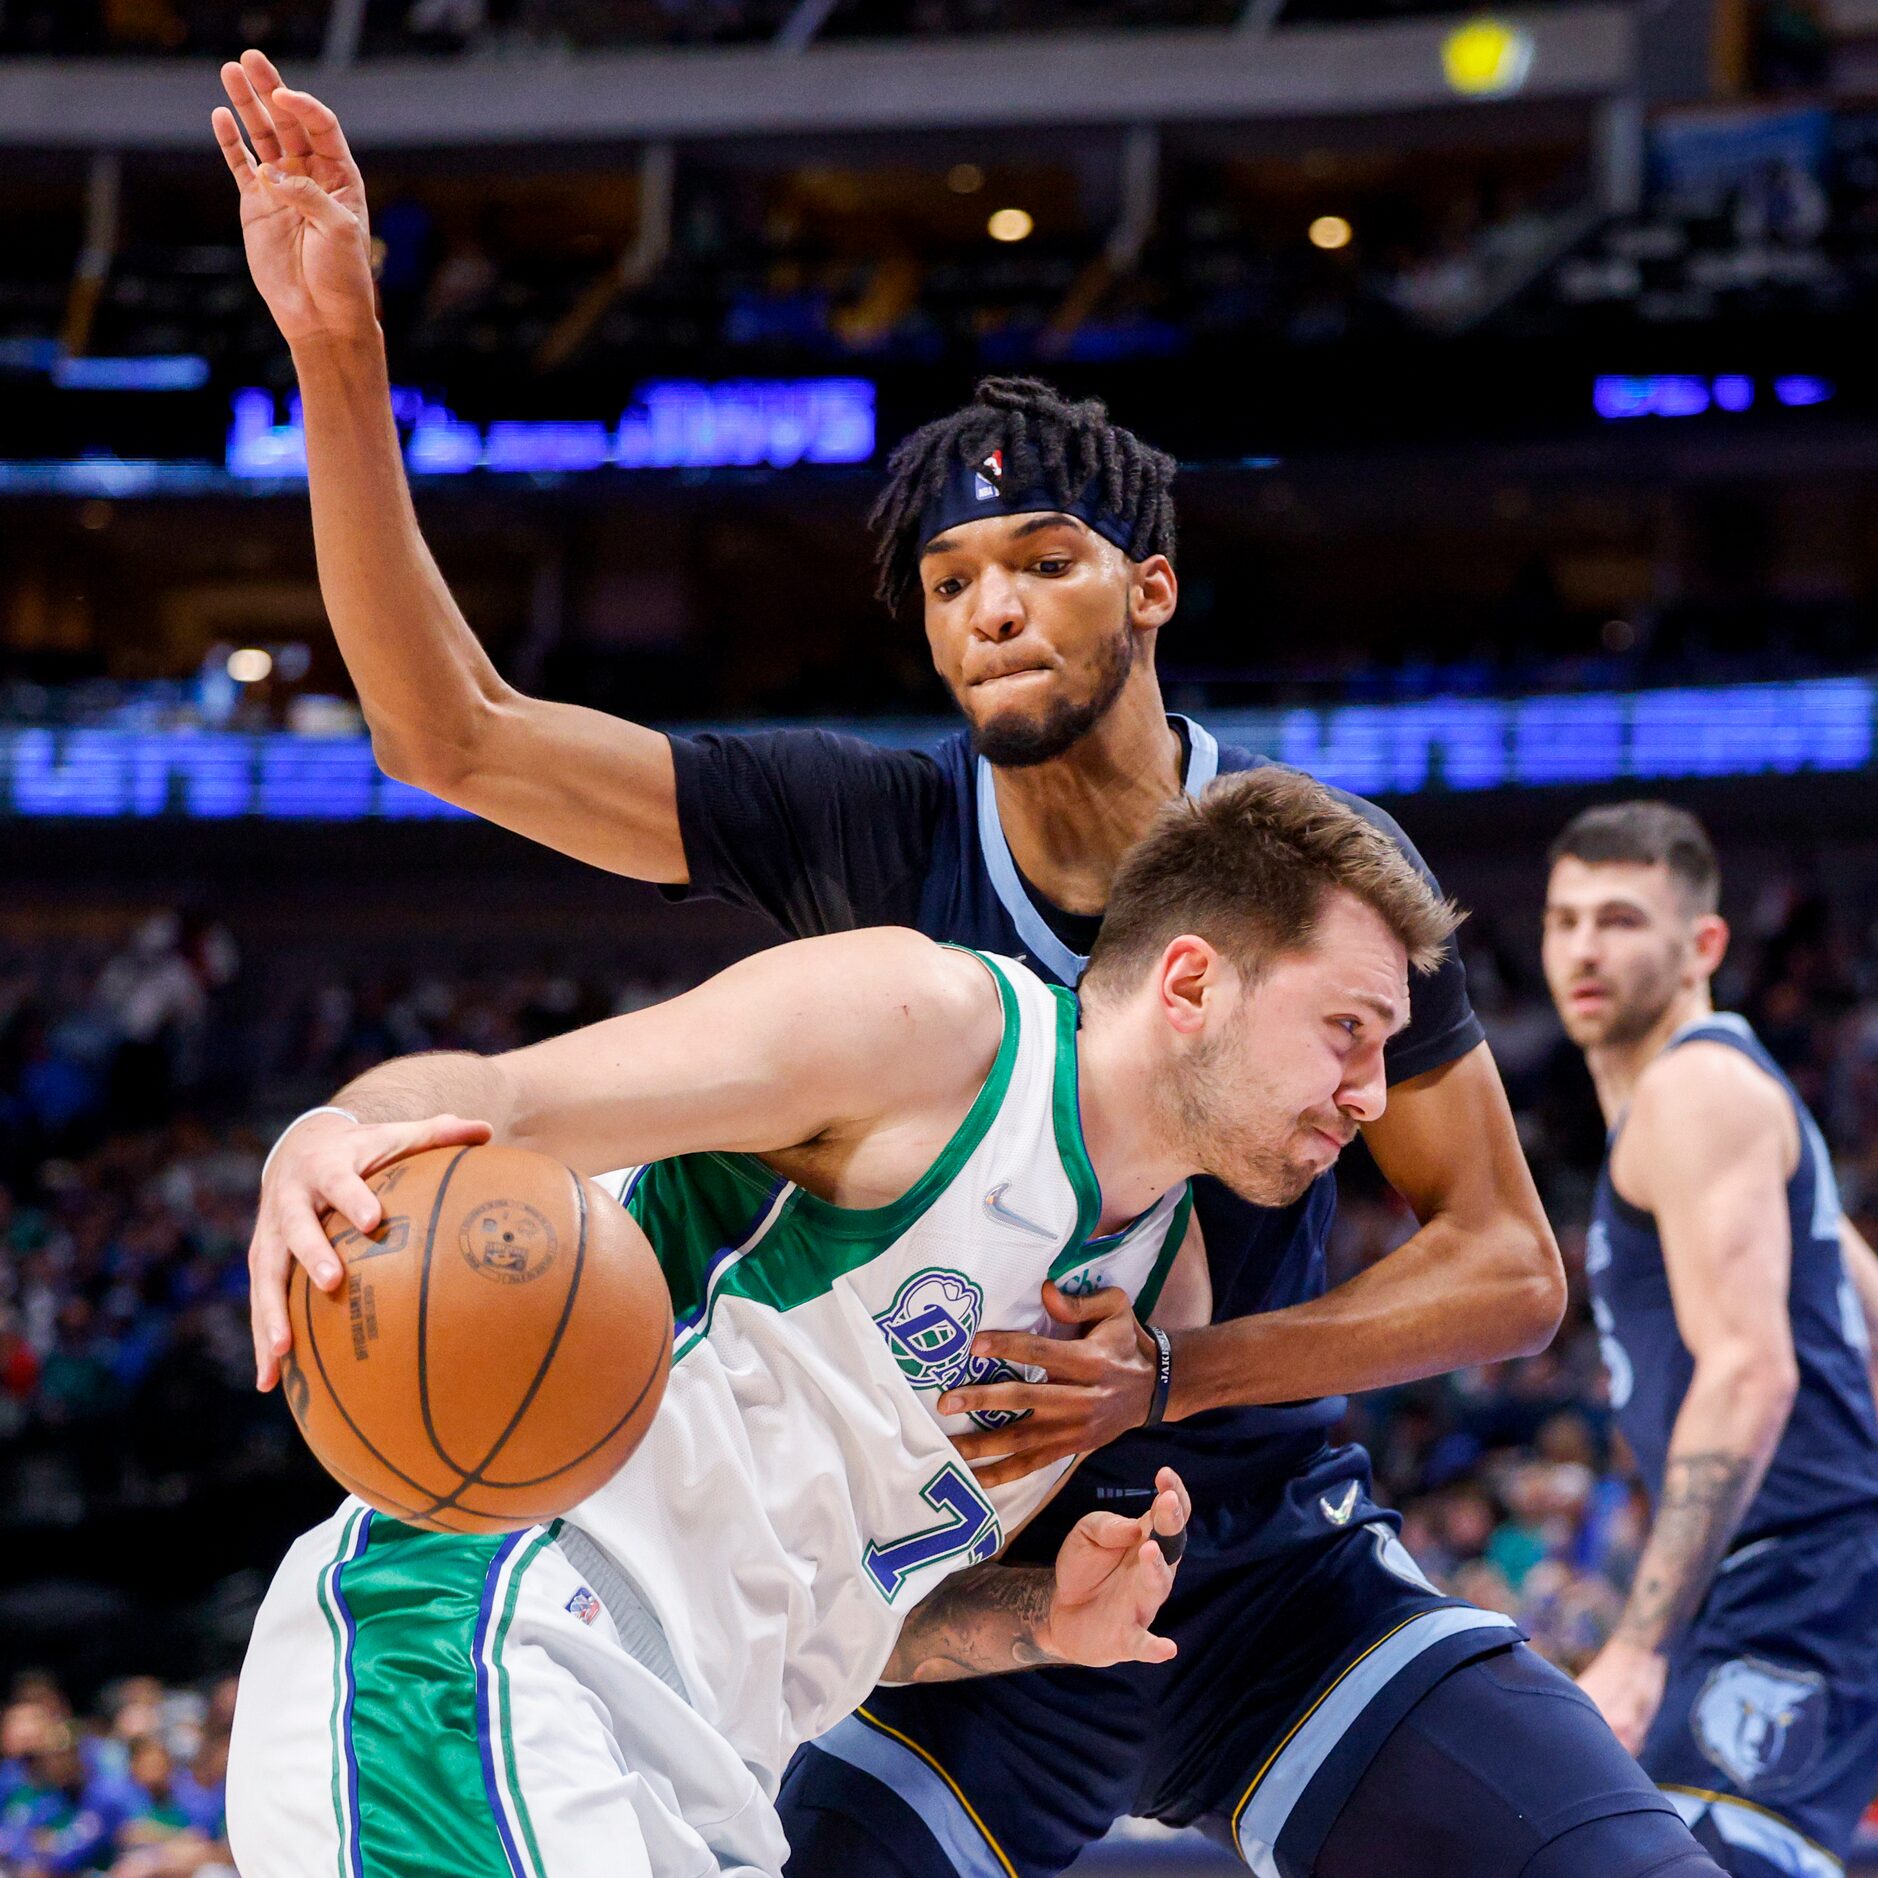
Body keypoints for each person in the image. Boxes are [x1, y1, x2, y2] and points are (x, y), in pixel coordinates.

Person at [214, 55, 1727, 1877]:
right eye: (948, 581)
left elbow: (1501, 1259)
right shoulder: (876, 894)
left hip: (1196, 1545)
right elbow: (453, 737)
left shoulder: (1313, 889)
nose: (991, 604)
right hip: (906, 1586)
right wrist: (339, 356)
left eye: (1044, 558)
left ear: (1151, 587)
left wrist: (1174, 1379)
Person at [235, 766, 1442, 1877]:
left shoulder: (1158, 1298)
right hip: (491, 1647)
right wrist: (330, 1138)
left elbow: (859, 1620)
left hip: (721, 1776)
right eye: (1348, 1029)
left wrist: (1047, 1622)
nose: (1370, 1095)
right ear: (1190, 982)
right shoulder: (933, 1032)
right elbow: (502, 1100)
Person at [1543, 802, 1878, 1878]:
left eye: (1622, 918)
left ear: (1706, 946)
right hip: (1799, 1575)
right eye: (1564, 919)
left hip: (1794, 1575)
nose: (1585, 948)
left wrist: (1638, 1644)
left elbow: (1749, 1371)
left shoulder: (1694, 1093)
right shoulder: (1729, 1096)